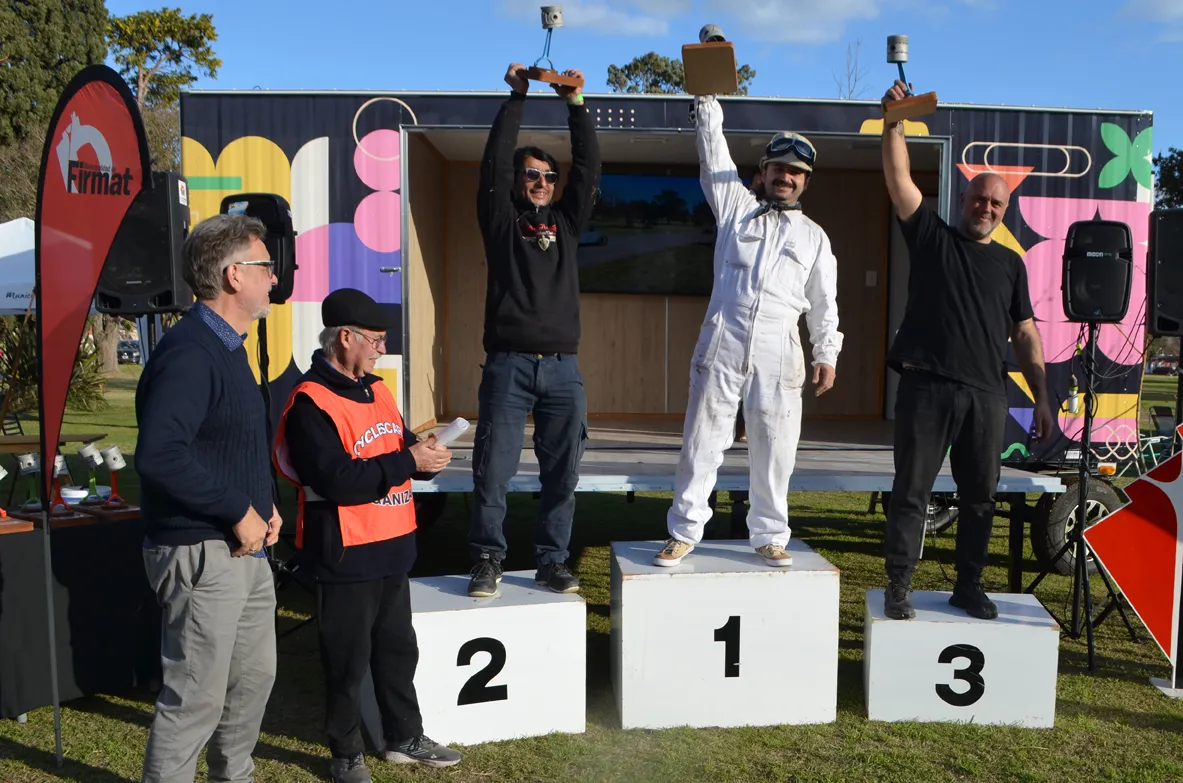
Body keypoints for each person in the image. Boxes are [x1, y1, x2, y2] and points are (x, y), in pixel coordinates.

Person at [878, 79, 1053, 621]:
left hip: (986, 395)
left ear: (1005, 210)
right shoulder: (931, 235)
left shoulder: (1010, 264)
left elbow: (1024, 334)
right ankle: (899, 585)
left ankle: (968, 587)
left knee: (980, 500)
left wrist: (1041, 397)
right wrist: (893, 122)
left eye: (997, 203)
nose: (987, 207)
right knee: (912, 491)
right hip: (927, 386)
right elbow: (900, 179)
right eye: (980, 198)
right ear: (963, 200)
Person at [274, 288, 463, 781]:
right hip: (345, 550)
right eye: (375, 341)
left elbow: (395, 450)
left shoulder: (377, 389)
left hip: (393, 544)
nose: (382, 349)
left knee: (399, 649)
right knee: (346, 660)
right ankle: (345, 753)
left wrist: (424, 457)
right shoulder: (309, 402)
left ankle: (405, 736)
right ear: (345, 338)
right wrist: (407, 460)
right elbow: (335, 479)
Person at [654, 92, 843, 568]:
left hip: (780, 349)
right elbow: (713, 157)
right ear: (764, 171)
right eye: (779, 168)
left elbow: (824, 303)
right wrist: (708, 107)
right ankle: (684, 531)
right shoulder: (735, 208)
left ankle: (770, 535)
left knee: (775, 450)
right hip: (723, 338)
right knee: (701, 441)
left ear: (805, 181)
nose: (786, 177)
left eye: (796, 172)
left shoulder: (815, 237)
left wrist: (827, 353)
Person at [134, 213, 281, 783]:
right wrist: (237, 509)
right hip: (201, 552)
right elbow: (161, 454)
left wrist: (261, 509)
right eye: (265, 266)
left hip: (242, 549)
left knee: (253, 683)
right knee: (194, 699)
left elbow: (223, 446)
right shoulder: (192, 351)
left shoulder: (228, 347)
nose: (275, 278)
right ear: (233, 274)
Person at [467, 62, 601, 598]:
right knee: (492, 473)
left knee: (562, 476)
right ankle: (486, 560)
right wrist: (517, 100)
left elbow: (588, 170)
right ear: (518, 183)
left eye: (549, 176)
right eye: (532, 175)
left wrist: (576, 106)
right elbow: (495, 164)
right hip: (508, 366)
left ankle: (552, 561)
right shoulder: (500, 220)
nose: (542, 182)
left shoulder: (567, 223)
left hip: (563, 371)